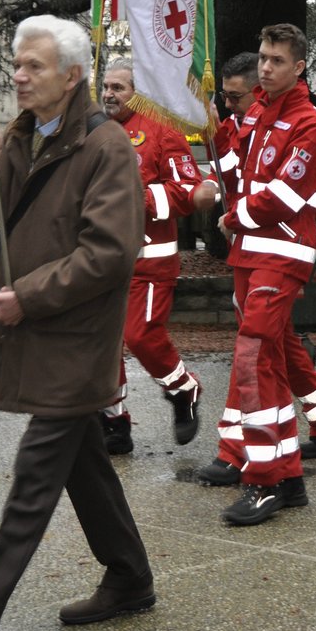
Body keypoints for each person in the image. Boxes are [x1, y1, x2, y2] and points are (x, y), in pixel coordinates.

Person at [0, 15, 153, 631]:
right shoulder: (19, 136)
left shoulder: (106, 146)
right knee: (83, 461)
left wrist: (26, 295)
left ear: (73, 75)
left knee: (36, 475)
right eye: (16, 64)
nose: (18, 75)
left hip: (74, 333)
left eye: (33, 66)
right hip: (33, 327)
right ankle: (131, 575)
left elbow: (110, 252)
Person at [195, 50, 316, 488]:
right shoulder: (253, 120)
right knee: (277, 347)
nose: (232, 108)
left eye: (237, 99)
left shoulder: (301, 125)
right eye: (225, 100)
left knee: (257, 352)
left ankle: (240, 452)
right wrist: (212, 153)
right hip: (251, 253)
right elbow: (232, 173)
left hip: (279, 253)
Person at [98, 58, 209, 453]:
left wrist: (136, 199)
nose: (108, 94)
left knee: (140, 335)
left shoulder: (163, 131)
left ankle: (183, 390)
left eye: (118, 88)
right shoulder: (94, 130)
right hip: (101, 260)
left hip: (149, 261)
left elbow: (187, 190)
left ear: (139, 91)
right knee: (103, 344)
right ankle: (114, 423)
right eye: (106, 86)